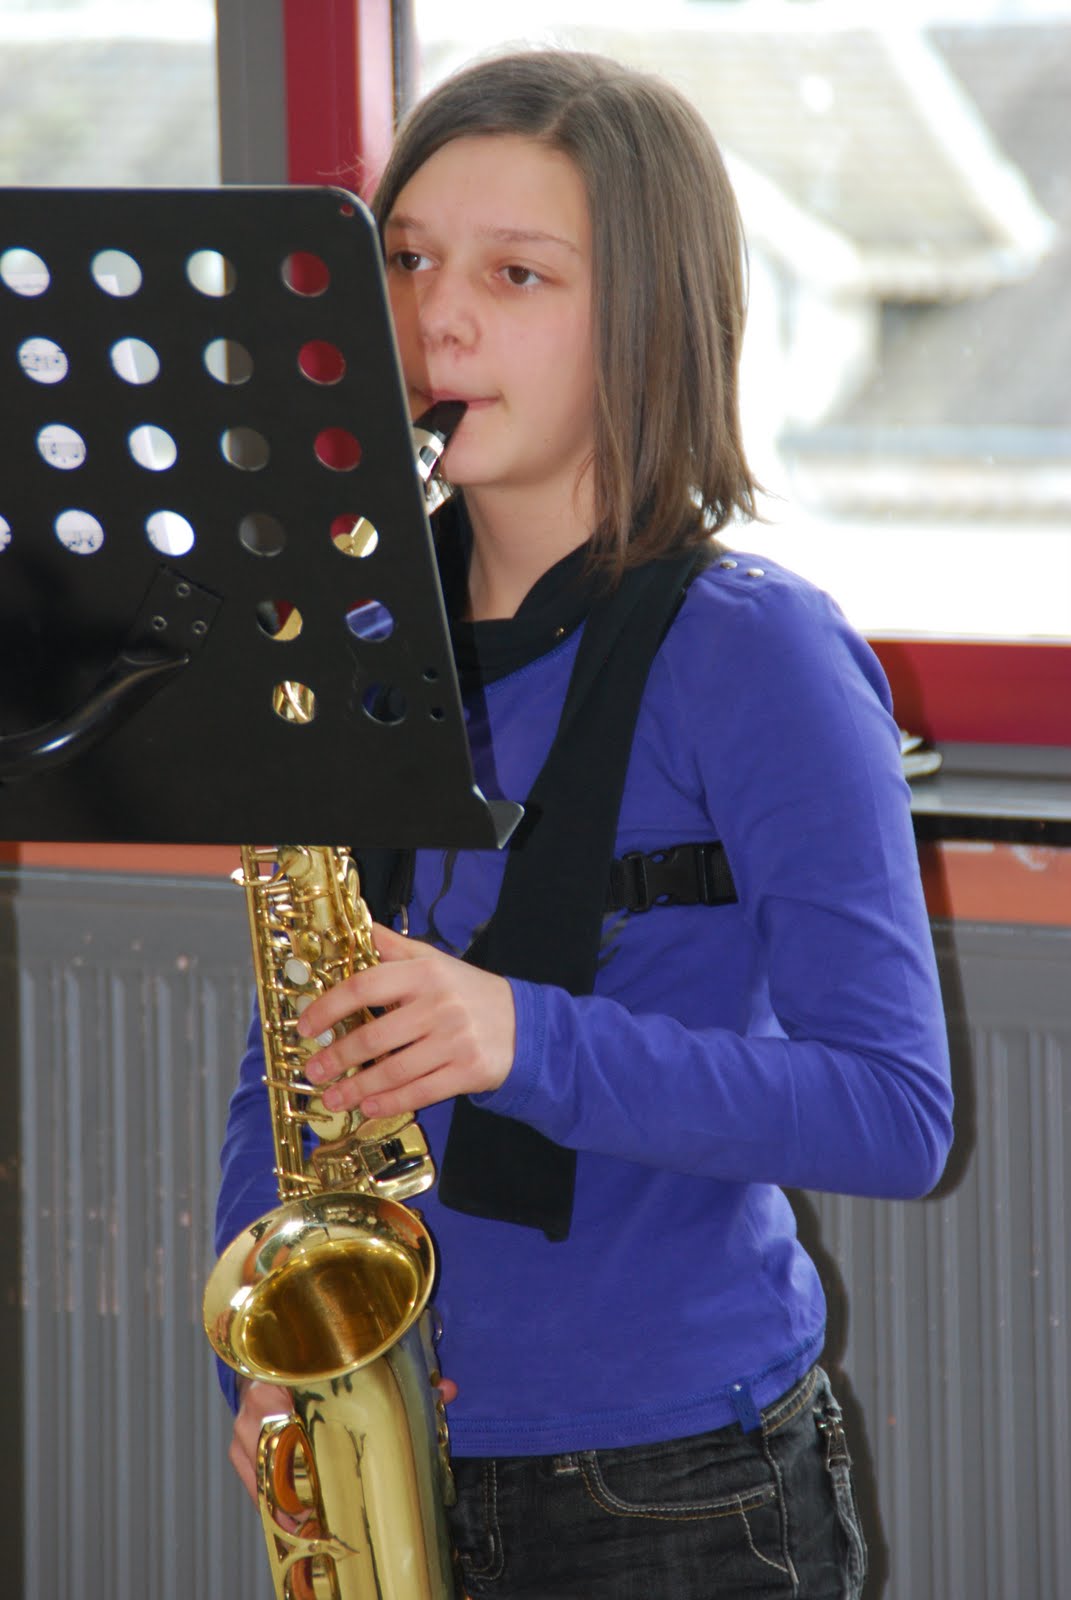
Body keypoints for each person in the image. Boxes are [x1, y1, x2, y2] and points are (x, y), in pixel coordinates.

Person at [216, 49, 953, 1600]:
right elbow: (295, 1043)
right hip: (395, 1438)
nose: (437, 317)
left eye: (518, 274)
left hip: (676, 1486)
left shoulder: (758, 649)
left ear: (647, 326)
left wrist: (518, 1039)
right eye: (405, 259)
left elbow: (895, 1111)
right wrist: (267, 1357)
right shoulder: (355, 633)